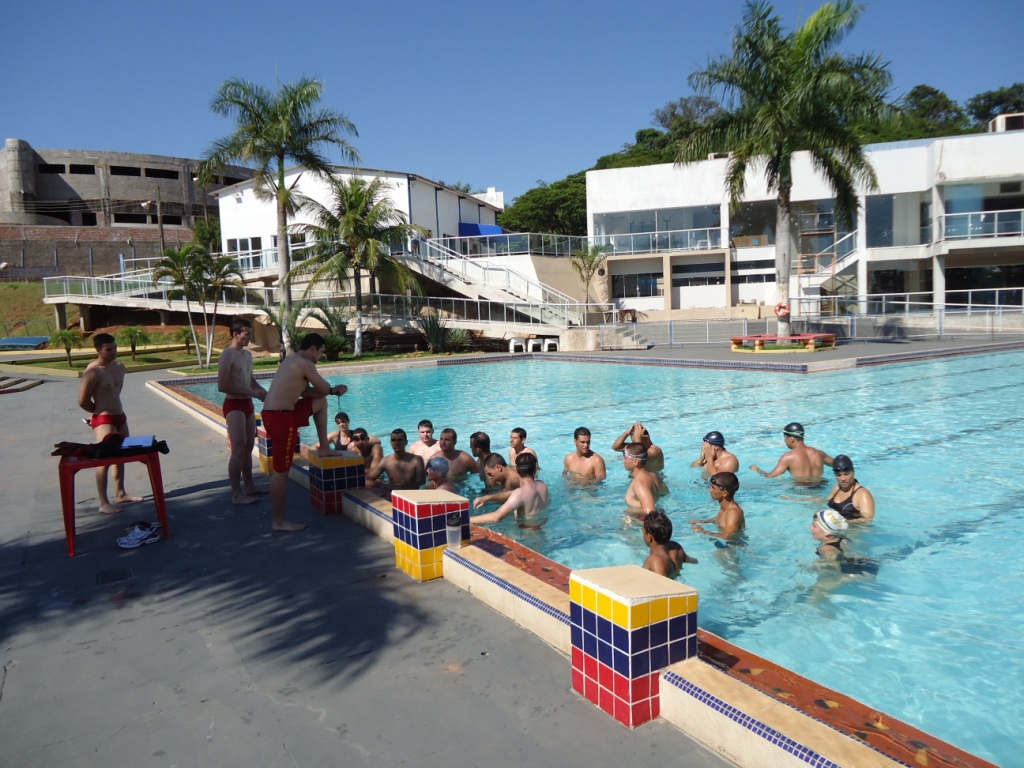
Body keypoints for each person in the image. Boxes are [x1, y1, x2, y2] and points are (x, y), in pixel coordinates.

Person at [261, 332, 348, 532]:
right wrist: (333, 389)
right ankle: (278, 521)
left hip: (277, 413)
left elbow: (306, 392)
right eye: (321, 352)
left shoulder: (292, 358)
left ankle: (324, 447)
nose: (321, 356)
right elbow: (324, 387)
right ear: (313, 348)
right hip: (280, 418)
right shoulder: (306, 363)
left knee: (320, 402)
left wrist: (329, 391)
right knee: (281, 471)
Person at [78, 332, 143, 514]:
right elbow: (82, 401)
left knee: (121, 454)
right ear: (98, 350)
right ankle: (103, 502)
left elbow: (117, 391)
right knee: (104, 459)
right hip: (104, 418)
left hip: (120, 415)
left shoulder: (120, 367)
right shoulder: (93, 371)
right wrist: (98, 413)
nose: (113, 352)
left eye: (115, 348)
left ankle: (120, 493)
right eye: (108, 349)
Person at [217, 318, 267, 505]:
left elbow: (249, 378)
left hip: (247, 404)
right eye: (246, 334)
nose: (250, 338)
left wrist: (260, 390)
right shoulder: (227, 355)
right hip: (234, 405)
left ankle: (250, 486)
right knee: (238, 447)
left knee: (248, 447)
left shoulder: (247, 355)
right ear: (235, 334)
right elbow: (222, 386)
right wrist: (250, 392)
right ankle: (237, 494)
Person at [470, 453, 549, 526]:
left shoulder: (520, 493)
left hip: (526, 534)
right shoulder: (543, 486)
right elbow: (514, 494)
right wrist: (488, 498)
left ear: (517, 470)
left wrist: (466, 520)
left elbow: (496, 517)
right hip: (541, 529)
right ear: (535, 470)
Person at [750, 422, 833, 486]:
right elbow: (836, 463)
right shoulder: (819, 453)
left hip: (802, 491)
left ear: (791, 439)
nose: (784, 440)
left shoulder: (788, 457)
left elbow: (770, 476)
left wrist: (758, 470)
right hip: (821, 486)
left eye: (785, 437)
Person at [690, 472, 746, 541]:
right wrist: (703, 521)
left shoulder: (733, 513)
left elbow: (728, 536)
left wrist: (703, 532)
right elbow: (720, 520)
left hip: (733, 546)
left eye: (713, 488)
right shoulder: (726, 508)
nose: (710, 490)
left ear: (724, 493)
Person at [642, 510, 696, 578]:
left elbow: (663, 584)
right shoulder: (677, 548)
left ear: (650, 537)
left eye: (643, 531)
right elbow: (693, 561)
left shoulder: (656, 561)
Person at [824, 454, 875, 523]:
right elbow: (826, 501)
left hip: (852, 529)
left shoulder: (862, 494)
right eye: (838, 475)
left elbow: (868, 520)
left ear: (853, 472)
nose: (843, 479)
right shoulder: (838, 487)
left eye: (846, 474)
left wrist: (842, 522)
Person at [623, 443, 662, 517]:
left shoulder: (639, 483)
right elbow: (666, 494)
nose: (623, 460)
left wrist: (632, 512)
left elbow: (650, 512)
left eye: (625, 457)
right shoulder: (653, 476)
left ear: (635, 461)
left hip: (639, 523)